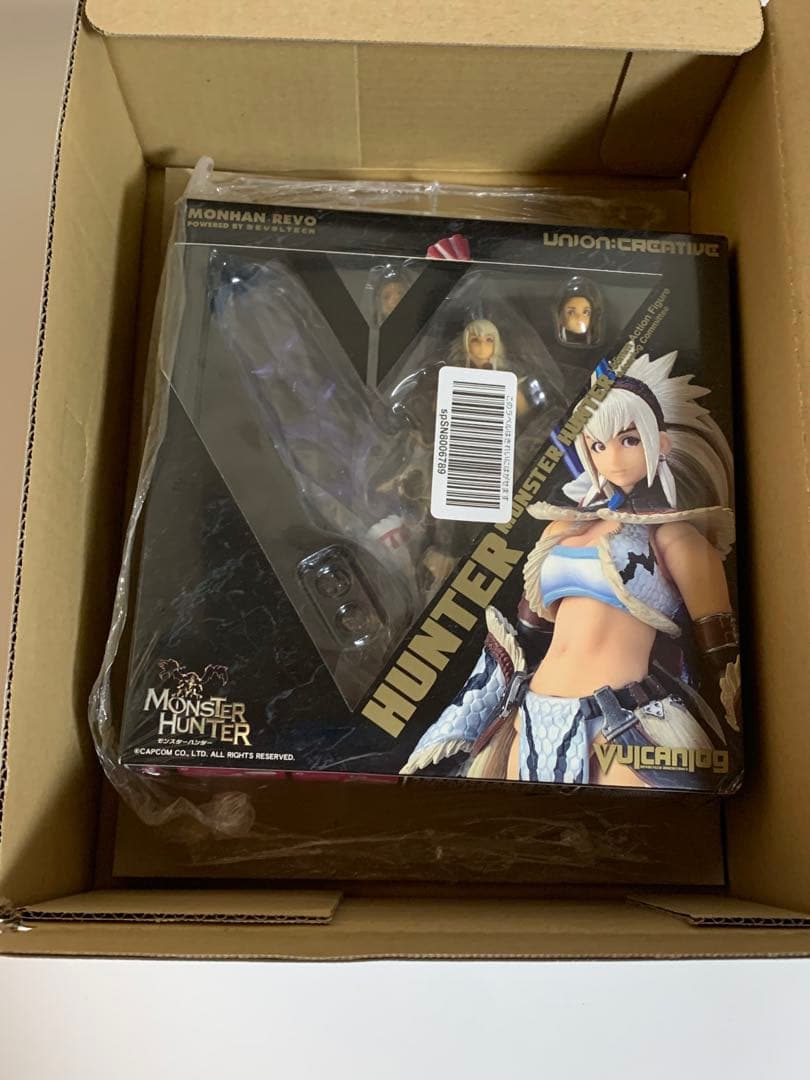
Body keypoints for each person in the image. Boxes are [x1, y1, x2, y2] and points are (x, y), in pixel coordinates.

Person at [400, 350, 740, 789]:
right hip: (530, 718)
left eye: (629, 440)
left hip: (623, 728)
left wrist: (737, 740)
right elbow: (525, 638)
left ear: (661, 443)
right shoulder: (562, 529)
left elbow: (722, 657)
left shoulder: (676, 539)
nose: (612, 458)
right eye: (598, 445)